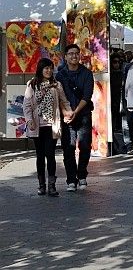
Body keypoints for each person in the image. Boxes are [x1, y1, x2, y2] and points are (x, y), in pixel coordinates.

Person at [23, 58, 72, 197]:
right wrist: (29, 120)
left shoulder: (57, 85)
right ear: (40, 69)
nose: (49, 70)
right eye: (46, 68)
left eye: (51, 68)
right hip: (37, 125)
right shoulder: (32, 84)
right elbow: (27, 105)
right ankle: (41, 185)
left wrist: (69, 113)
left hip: (51, 125)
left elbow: (64, 101)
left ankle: (52, 186)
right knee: (40, 156)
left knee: (50, 155)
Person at [56, 43, 94, 191]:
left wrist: (75, 112)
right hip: (66, 116)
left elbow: (87, 95)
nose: (74, 56)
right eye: (71, 53)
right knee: (68, 148)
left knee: (84, 146)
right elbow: (58, 96)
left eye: (76, 53)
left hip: (83, 114)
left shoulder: (86, 73)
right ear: (65, 57)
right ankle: (71, 179)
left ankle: (82, 175)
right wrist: (66, 112)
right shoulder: (60, 75)